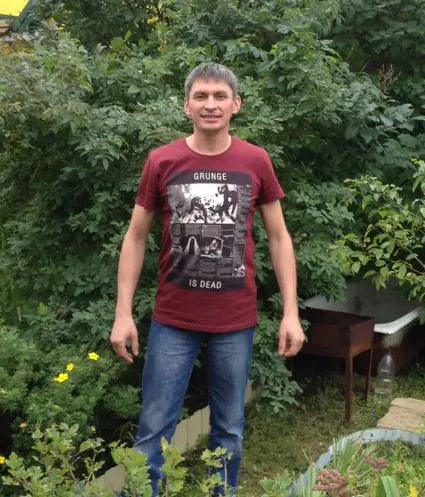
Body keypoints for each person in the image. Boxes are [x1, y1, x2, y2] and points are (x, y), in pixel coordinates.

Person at [110, 62, 305, 495]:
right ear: (187, 105)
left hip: (235, 322)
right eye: (201, 96)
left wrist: (291, 313)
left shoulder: (255, 160)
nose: (210, 104)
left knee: (229, 431)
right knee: (153, 430)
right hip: (172, 321)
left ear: (236, 105)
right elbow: (135, 238)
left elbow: (279, 238)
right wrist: (123, 314)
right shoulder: (162, 160)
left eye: (220, 96)